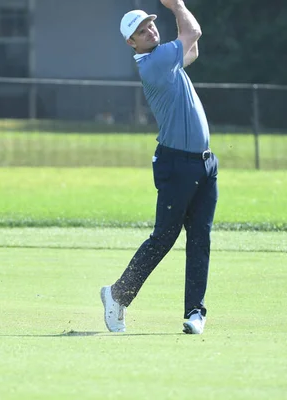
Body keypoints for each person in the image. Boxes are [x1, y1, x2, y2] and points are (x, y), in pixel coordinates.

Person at [101, 0, 218, 335]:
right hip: (176, 163)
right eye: (141, 30)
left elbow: (192, 48)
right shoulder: (153, 63)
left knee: (200, 237)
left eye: (151, 24)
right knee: (164, 237)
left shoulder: (166, 60)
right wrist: (177, 4)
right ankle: (116, 294)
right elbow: (193, 32)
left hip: (205, 164)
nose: (150, 29)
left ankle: (195, 312)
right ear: (131, 43)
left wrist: (178, 14)